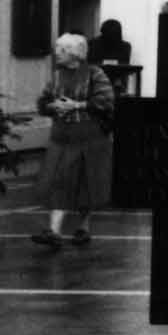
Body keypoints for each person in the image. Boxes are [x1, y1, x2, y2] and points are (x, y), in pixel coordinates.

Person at [30, 33, 115, 249]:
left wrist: (77, 105)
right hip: (61, 137)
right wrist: (52, 106)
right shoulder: (57, 76)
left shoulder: (95, 74)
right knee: (58, 181)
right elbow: (42, 102)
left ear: (74, 53)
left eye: (61, 50)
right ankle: (54, 231)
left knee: (86, 184)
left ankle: (84, 227)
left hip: (89, 136)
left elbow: (106, 101)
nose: (56, 53)